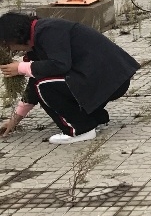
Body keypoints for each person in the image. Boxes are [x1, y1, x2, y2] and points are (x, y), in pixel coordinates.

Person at [0, 12, 138, 144]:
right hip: (108, 80)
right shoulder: (38, 37)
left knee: (41, 85)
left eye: (7, 45)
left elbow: (60, 65)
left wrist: (20, 68)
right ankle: (92, 118)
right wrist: (14, 120)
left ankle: (81, 129)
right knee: (40, 82)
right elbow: (34, 83)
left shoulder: (48, 31)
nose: (11, 50)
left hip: (110, 80)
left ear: (16, 36)